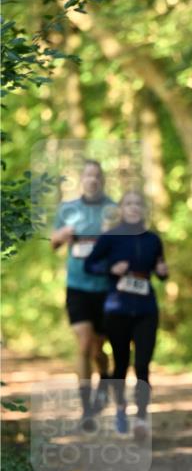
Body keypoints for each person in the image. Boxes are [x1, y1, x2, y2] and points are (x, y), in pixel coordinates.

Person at [84, 191, 168, 440]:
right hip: (117, 309)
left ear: (144, 209)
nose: (133, 208)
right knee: (120, 365)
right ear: (121, 209)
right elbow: (90, 264)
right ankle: (120, 408)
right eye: (129, 203)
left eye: (138, 204)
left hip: (145, 309)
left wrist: (162, 271)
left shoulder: (153, 240)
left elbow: (161, 271)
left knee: (142, 365)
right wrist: (110, 268)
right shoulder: (110, 237)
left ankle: (141, 417)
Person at [51, 160, 115, 430]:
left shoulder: (113, 209)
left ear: (102, 180)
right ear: (82, 180)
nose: (93, 180)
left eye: (97, 176)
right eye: (88, 175)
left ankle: (106, 376)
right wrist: (63, 234)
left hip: (106, 287)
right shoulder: (68, 209)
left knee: (99, 348)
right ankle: (87, 408)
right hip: (77, 286)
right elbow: (53, 243)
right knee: (84, 344)